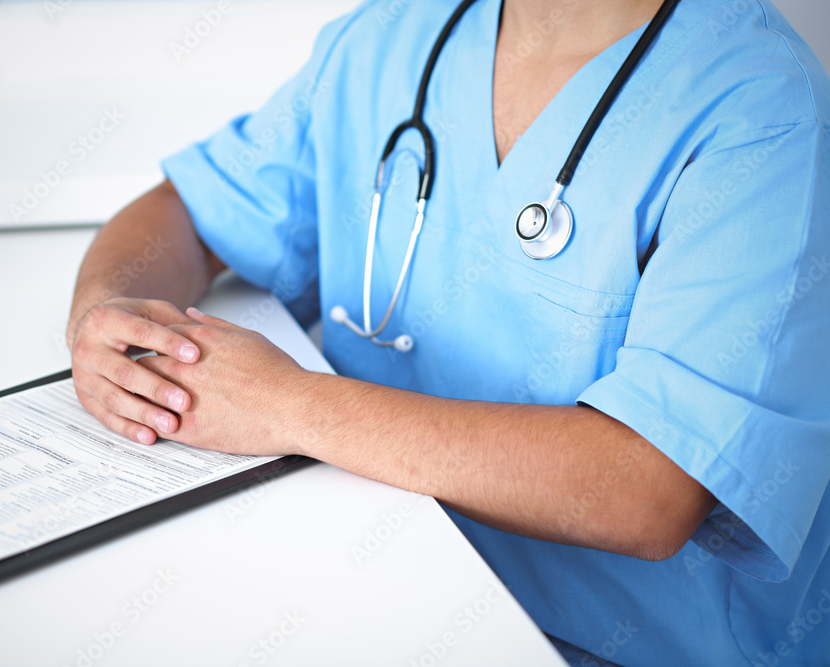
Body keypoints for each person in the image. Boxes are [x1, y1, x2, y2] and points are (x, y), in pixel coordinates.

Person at [66, 0, 830, 663]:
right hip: (382, 579)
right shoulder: (395, 35)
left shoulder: (763, 113)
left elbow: (647, 492)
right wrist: (106, 316)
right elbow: (193, 213)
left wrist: (286, 406)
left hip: (612, 644)